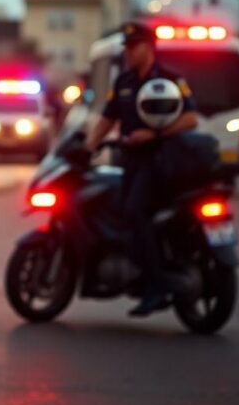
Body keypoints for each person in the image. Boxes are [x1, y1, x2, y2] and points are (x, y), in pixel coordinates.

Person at [85, 22, 199, 317]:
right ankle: (136, 271)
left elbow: (190, 119)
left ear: (148, 48)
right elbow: (107, 119)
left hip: (160, 164)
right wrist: (87, 146)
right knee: (119, 209)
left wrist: (155, 135)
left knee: (135, 212)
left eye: (133, 47)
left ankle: (156, 284)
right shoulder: (123, 81)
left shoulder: (171, 81)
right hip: (131, 163)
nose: (128, 52)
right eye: (127, 46)